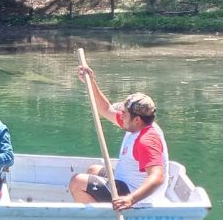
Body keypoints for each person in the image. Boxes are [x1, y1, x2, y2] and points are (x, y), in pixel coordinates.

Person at [68, 64, 169, 210]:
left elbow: (157, 177)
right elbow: (105, 109)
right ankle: (104, 211)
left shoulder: (147, 140)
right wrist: (91, 82)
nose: (121, 115)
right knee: (93, 170)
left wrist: (130, 199)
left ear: (137, 119)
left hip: (136, 196)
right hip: (126, 182)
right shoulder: (137, 126)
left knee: (77, 181)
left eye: (124, 113)